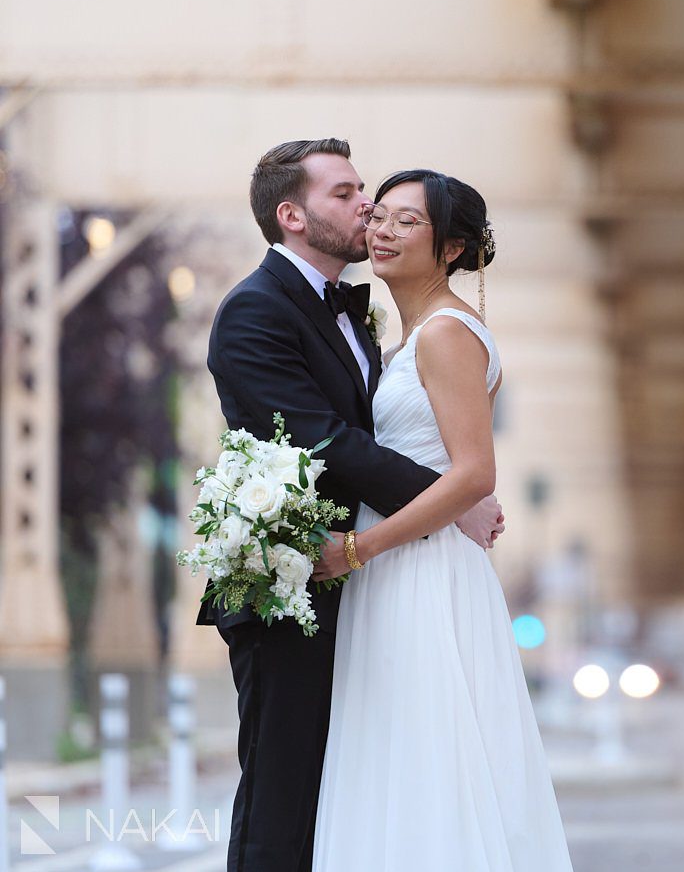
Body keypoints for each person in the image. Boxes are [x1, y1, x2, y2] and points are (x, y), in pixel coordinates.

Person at [201, 140, 505, 872]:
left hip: (365, 582)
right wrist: (451, 499)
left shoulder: (367, 323)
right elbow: (326, 439)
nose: (365, 206)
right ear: (292, 215)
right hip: (294, 583)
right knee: (284, 798)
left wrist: (450, 490)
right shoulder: (254, 310)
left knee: (358, 796)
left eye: (365, 189)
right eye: (345, 194)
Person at [310, 169, 573, 871]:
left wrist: (358, 548)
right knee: (399, 759)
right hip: (397, 566)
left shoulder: (446, 334)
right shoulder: (409, 338)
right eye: (381, 217)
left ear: (451, 248)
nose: (383, 231)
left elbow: (473, 473)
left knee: (424, 761)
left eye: (407, 222)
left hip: (416, 573)